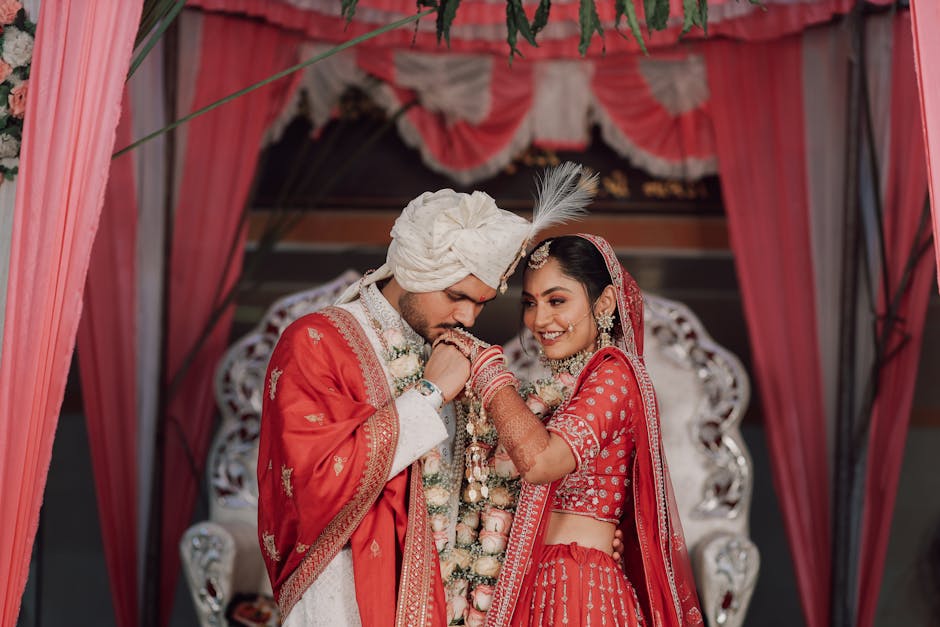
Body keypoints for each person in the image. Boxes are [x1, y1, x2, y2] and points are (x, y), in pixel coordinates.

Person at [256, 165, 596, 627]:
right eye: (457, 296)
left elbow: (489, 488)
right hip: (343, 602)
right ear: (415, 271)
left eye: (480, 303)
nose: (468, 318)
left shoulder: (456, 351)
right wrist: (429, 392)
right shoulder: (318, 342)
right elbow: (313, 483)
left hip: (444, 600)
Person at [437, 234, 704, 626]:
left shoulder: (614, 375)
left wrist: (489, 373)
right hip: (534, 581)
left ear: (605, 303)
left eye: (557, 300)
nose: (539, 320)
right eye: (530, 303)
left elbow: (543, 460)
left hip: (577, 587)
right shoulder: (560, 390)